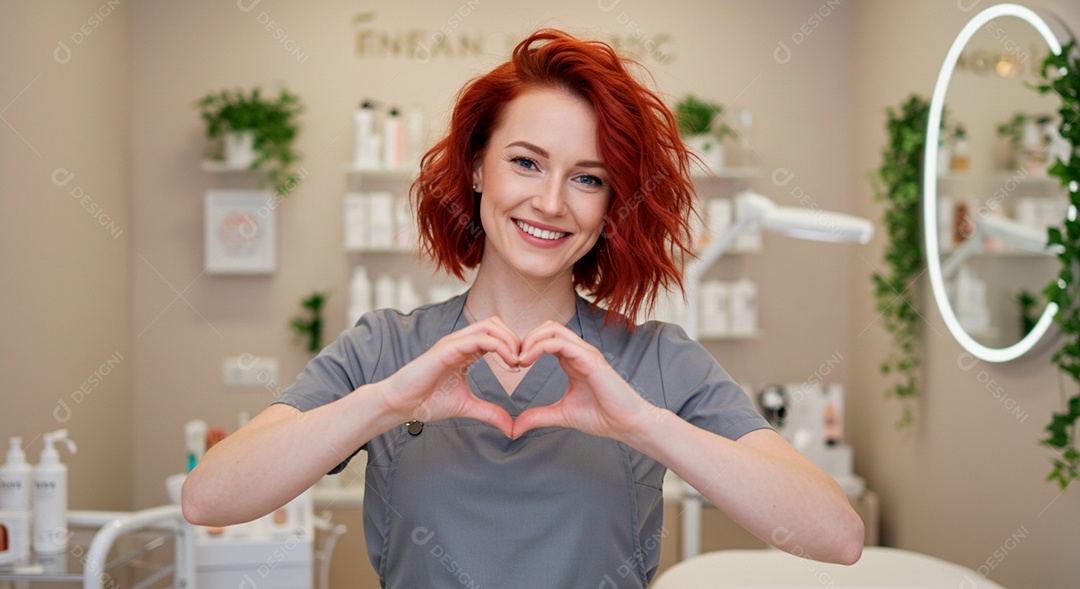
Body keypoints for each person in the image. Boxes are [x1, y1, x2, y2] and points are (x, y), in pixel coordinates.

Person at [182, 28, 863, 587]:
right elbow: (209, 496)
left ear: (611, 203)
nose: (551, 202)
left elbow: (837, 536)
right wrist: (385, 403)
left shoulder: (656, 360)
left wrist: (645, 425)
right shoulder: (385, 348)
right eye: (527, 163)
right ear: (478, 167)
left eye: (587, 178)